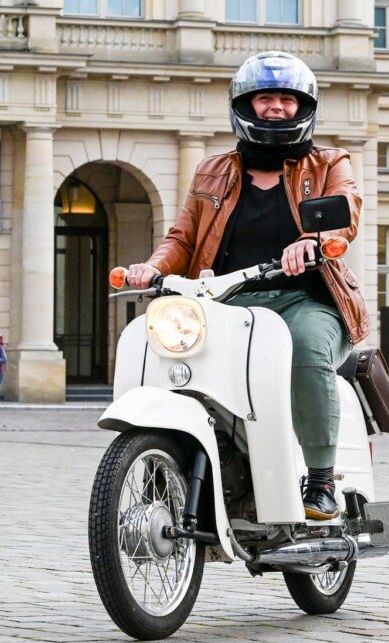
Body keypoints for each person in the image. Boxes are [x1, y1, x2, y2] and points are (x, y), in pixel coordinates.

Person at [123, 51, 366, 521]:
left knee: (308, 350)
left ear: (304, 107)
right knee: (170, 355)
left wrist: (313, 242)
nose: (276, 108)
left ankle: (319, 481)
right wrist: (152, 268)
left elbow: (345, 213)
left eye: (286, 100)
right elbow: (183, 237)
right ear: (244, 105)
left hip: (306, 299)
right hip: (226, 302)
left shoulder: (330, 162)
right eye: (265, 98)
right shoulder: (212, 170)